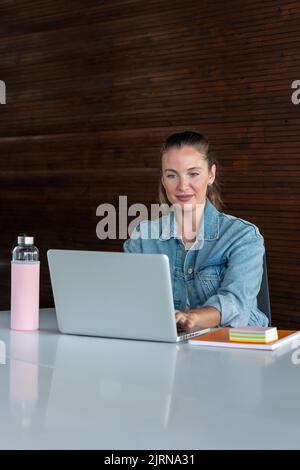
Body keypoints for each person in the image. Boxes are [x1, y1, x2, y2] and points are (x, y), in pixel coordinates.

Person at [123, 131, 268, 329]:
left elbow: (235, 303)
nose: (183, 186)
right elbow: (128, 299)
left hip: (236, 346)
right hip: (169, 347)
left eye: (193, 174)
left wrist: (191, 318)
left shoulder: (242, 236)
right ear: (163, 180)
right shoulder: (143, 236)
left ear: (211, 174)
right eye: (172, 175)